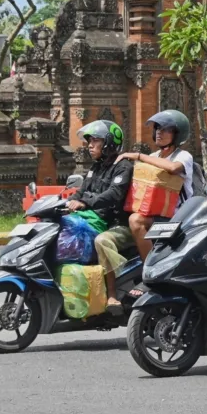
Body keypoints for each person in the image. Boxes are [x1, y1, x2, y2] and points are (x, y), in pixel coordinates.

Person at [66, 120, 134, 314]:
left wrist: (86, 202)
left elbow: (114, 194)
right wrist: (65, 202)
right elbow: (81, 192)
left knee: (102, 241)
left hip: (117, 224)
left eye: (95, 141)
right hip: (96, 219)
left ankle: (112, 295)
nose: (90, 145)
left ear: (109, 143)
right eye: (89, 141)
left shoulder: (123, 167)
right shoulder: (95, 168)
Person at [119, 110, 194, 260]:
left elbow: (173, 168)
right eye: (158, 128)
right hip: (153, 215)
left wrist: (139, 156)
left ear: (177, 134)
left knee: (135, 220)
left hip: (177, 217)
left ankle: (150, 265)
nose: (159, 132)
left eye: (166, 129)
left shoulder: (183, 156)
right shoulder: (153, 157)